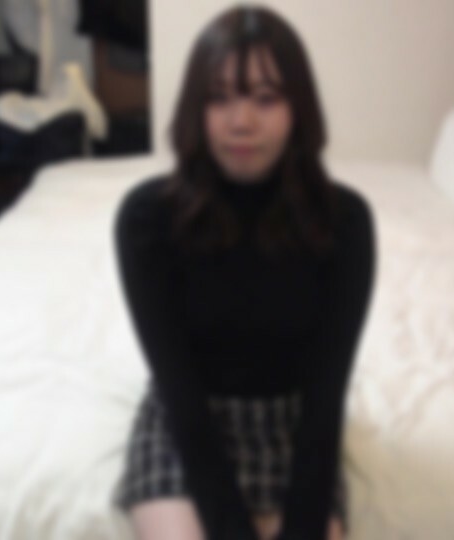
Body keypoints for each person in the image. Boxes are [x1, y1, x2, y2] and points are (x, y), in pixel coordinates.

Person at [111, 4, 375, 539]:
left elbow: (327, 393)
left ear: (298, 108)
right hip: (189, 424)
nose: (241, 122)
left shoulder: (344, 222)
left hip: (294, 426)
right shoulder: (148, 220)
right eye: (219, 97)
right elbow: (179, 390)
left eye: (266, 98)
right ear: (196, 108)